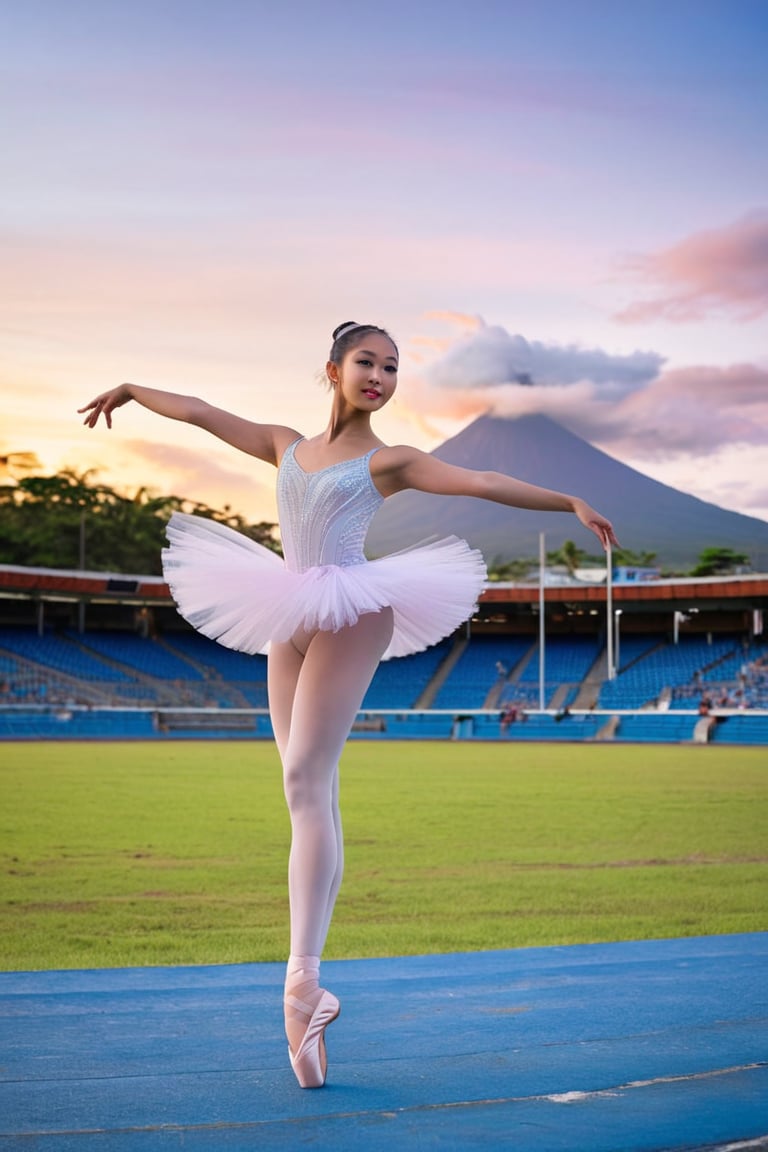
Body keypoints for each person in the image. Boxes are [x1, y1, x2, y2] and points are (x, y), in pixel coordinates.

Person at [79, 320, 618, 1088]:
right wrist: (132, 389)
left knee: (305, 777)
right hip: (284, 610)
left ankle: (302, 982)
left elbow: (481, 481)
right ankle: (303, 1017)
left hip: (352, 608)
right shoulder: (282, 444)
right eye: (367, 361)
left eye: (393, 368)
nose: (380, 376)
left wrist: (567, 499)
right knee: (306, 793)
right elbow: (199, 410)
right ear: (332, 368)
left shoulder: (388, 459)